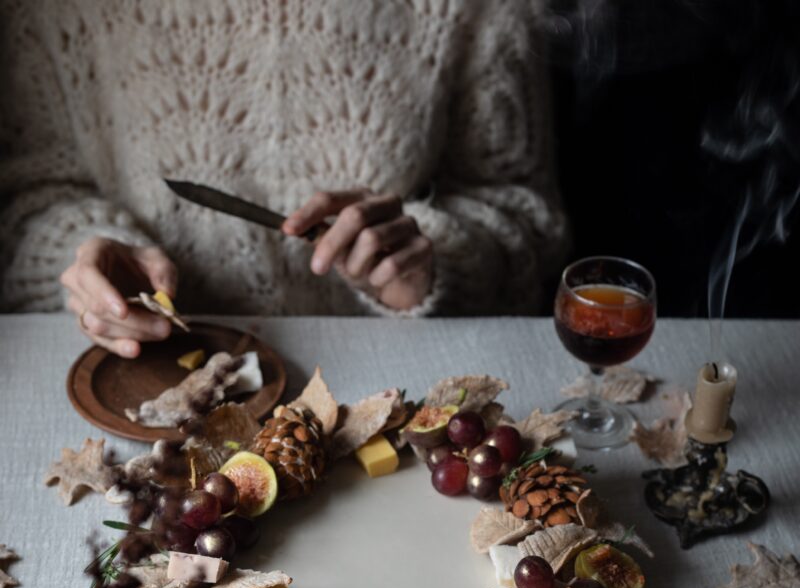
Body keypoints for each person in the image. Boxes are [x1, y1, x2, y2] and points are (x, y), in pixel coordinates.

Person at [0, 0, 567, 357]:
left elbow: (523, 216)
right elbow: (30, 200)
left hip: (398, 385)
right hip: (146, 386)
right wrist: (85, 267)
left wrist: (431, 265)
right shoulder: (50, 13)